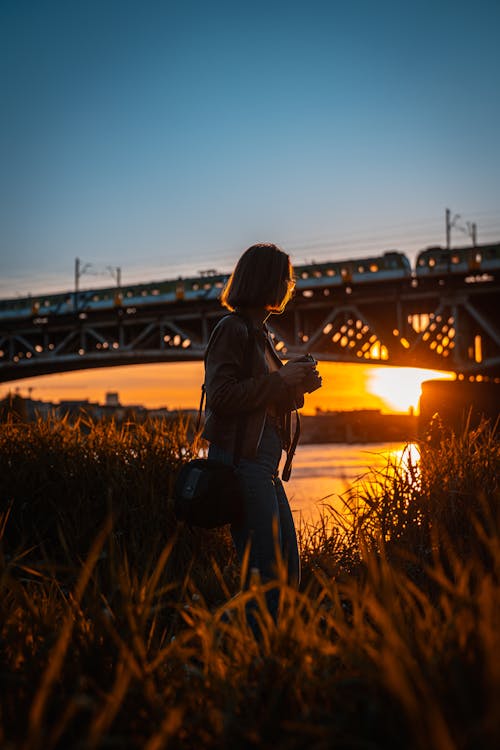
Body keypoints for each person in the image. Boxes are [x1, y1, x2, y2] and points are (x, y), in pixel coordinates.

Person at [202, 243, 322, 626]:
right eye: (286, 277)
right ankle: (211, 644)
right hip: (243, 464)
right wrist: (279, 379)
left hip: (264, 467)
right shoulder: (232, 329)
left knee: (287, 573)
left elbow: (264, 403)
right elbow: (220, 397)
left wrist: (296, 387)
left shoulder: (260, 334)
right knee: (267, 577)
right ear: (266, 280)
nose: (290, 285)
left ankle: (260, 653)